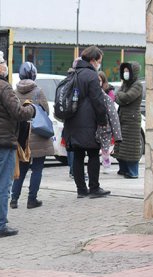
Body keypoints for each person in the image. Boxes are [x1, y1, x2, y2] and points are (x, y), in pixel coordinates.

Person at [0, 50, 35, 238]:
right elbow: (18, 113)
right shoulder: (3, 87)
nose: (6, 65)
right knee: (3, 184)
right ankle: (0, 225)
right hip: (3, 141)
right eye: (4, 62)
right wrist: (31, 109)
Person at [63, 46, 110, 199]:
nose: (99, 64)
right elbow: (98, 100)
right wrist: (103, 120)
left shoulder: (73, 73)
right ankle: (94, 188)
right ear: (92, 60)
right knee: (93, 154)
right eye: (99, 61)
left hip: (72, 121)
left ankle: (81, 190)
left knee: (77, 155)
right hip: (88, 122)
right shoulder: (91, 75)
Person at [10, 62, 53, 209]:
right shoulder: (38, 91)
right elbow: (46, 111)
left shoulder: (14, 92)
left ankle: (14, 199)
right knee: (37, 168)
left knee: (21, 168)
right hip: (38, 133)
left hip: (22, 135)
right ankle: (31, 200)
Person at [113, 61, 143, 179]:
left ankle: (132, 171)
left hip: (132, 121)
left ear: (133, 72)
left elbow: (127, 97)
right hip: (122, 118)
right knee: (122, 146)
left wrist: (120, 95)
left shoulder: (137, 85)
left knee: (131, 147)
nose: (125, 73)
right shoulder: (125, 84)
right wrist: (120, 95)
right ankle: (124, 169)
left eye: (127, 71)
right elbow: (117, 97)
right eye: (124, 71)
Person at [97, 71, 122, 173]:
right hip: (95, 127)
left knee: (105, 148)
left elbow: (112, 114)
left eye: (99, 80)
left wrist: (117, 135)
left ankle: (106, 163)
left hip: (105, 127)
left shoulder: (107, 95)